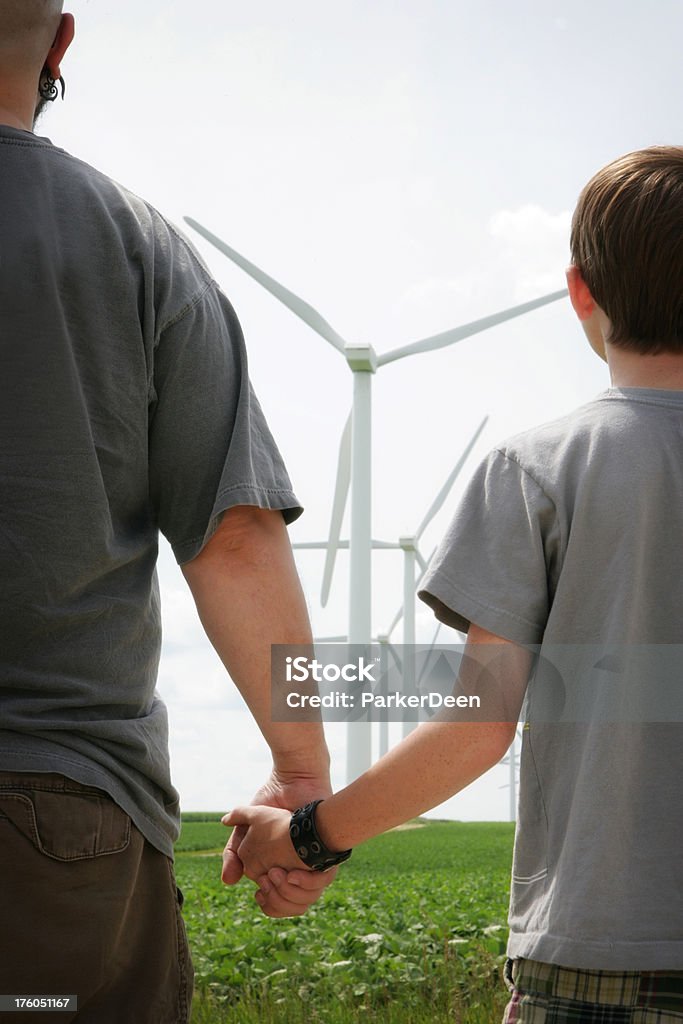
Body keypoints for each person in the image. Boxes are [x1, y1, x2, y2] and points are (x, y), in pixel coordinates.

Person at [227, 147, 683, 1022]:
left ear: (579, 290)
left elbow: (479, 723)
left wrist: (309, 836)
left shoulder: (536, 468)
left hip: (600, 958)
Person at [0, 2, 333, 1020]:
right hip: (60, 823)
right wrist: (302, 776)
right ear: (59, 46)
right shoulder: (138, 244)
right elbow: (234, 540)